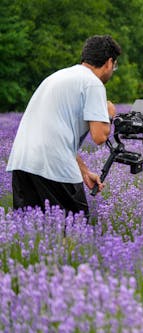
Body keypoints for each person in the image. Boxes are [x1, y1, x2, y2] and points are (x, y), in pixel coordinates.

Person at [6, 35, 122, 219]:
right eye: (114, 66)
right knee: (74, 232)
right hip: (53, 167)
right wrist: (108, 113)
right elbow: (100, 136)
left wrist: (84, 172)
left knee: (33, 232)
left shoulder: (57, 76)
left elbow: (54, 134)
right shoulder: (93, 83)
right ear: (109, 62)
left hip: (22, 163)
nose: (112, 70)